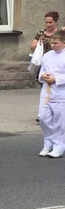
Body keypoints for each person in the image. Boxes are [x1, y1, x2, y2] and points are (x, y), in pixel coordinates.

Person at [38, 29, 65, 158]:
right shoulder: (47, 55)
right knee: (44, 118)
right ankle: (48, 142)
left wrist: (57, 79)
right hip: (47, 93)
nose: (53, 45)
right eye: (52, 43)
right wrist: (43, 75)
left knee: (59, 122)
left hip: (61, 94)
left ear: (64, 43)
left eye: (56, 43)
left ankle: (59, 145)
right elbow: (41, 70)